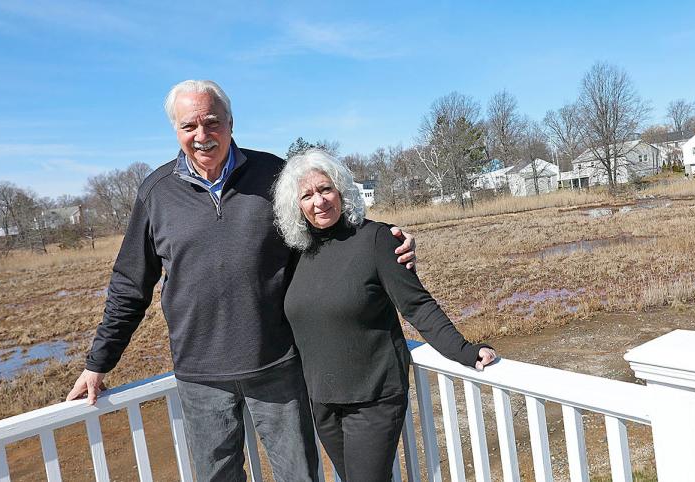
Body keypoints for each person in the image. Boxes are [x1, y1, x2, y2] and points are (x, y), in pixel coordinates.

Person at [65, 80, 416, 482]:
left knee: (299, 475)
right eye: (188, 126)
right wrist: (98, 362)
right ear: (176, 131)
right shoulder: (156, 192)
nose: (201, 136)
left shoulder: (272, 175)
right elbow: (131, 284)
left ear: (231, 122)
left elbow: (325, 230)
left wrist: (385, 240)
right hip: (200, 375)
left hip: (278, 365)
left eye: (211, 122)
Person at [272, 149, 498, 482]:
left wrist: (464, 350)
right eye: (307, 195)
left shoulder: (377, 239)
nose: (319, 201)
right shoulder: (297, 254)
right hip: (322, 400)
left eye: (325, 189)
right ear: (297, 205)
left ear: (342, 191)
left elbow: (417, 305)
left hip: (373, 396)